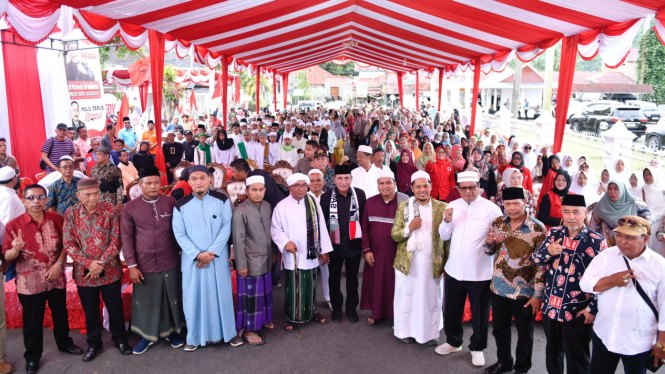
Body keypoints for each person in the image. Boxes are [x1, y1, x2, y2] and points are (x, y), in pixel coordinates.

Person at [3, 184, 84, 374]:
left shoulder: (57, 219)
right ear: (23, 200)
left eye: (40, 197)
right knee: (32, 320)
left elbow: (67, 244)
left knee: (60, 313)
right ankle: (32, 357)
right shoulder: (14, 225)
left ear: (46, 200)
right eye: (30, 198)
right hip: (29, 282)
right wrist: (16, 247)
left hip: (56, 276)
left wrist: (59, 264)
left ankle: (64, 343)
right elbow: (7, 257)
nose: (36, 201)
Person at [580, 215, 665, 374]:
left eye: (630, 237)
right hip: (604, 335)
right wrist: (612, 280)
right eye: (619, 235)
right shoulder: (607, 255)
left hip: (638, 342)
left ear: (645, 239)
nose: (622, 241)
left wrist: (661, 344)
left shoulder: (659, 266)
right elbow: (585, 283)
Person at [533, 194, 607, 374]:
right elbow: (536, 260)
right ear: (562, 213)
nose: (571, 217)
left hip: (577, 309)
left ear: (585, 213)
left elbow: (603, 280)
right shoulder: (553, 234)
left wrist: (593, 309)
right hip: (551, 306)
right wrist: (548, 251)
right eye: (567, 212)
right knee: (552, 352)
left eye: (576, 212)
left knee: (578, 356)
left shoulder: (597, 241)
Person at [436, 171, 502, 366]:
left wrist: (494, 241)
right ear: (458, 189)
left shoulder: (492, 209)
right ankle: (453, 341)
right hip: (455, 269)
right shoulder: (452, 206)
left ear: (479, 187)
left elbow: (499, 237)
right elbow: (444, 236)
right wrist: (446, 221)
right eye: (463, 188)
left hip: (480, 271)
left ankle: (478, 347)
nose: (468, 191)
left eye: (472, 187)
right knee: (452, 308)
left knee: (480, 313)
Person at [172, 165, 241, 351]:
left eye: (202, 178)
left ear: (210, 179)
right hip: (193, 261)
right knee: (194, 297)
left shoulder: (222, 199)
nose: (199, 182)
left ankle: (229, 333)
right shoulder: (180, 205)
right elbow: (179, 234)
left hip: (217, 258)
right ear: (188, 182)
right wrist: (197, 255)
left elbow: (226, 227)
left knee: (222, 295)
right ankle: (194, 337)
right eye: (194, 179)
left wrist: (212, 252)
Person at [63, 178, 131, 362]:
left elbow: (116, 240)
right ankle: (94, 344)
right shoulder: (72, 213)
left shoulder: (109, 210)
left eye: (96, 193)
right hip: (84, 273)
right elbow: (68, 243)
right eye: (87, 194)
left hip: (109, 269)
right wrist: (88, 263)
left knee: (115, 307)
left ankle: (120, 340)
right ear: (78, 196)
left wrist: (99, 263)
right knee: (90, 310)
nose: (93, 198)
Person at [120, 166, 185, 354]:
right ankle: (146, 336)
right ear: (140, 184)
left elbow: (179, 231)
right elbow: (126, 238)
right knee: (147, 300)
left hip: (169, 259)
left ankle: (172, 332)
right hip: (143, 263)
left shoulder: (170, 202)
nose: (153, 186)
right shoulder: (130, 208)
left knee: (171, 297)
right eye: (148, 183)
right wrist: (132, 266)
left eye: (156, 182)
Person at [482, 187, 546, 374]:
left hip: (525, 291)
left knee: (525, 335)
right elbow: (489, 252)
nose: (512, 208)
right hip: (499, 287)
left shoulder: (537, 228)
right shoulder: (498, 223)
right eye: (508, 204)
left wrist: (538, 294)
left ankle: (522, 368)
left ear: (525, 203)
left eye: (516, 203)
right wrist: (490, 243)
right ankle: (504, 362)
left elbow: (542, 265)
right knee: (499, 329)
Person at [392, 170, 448, 345]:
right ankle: (405, 332)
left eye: (426, 185)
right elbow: (395, 235)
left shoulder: (442, 207)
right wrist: (409, 228)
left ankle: (431, 334)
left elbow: (447, 239)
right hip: (408, 263)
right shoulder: (404, 207)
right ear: (411, 188)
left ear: (431, 186)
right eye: (418, 186)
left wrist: (447, 264)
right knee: (407, 297)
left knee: (431, 297)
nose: (422, 190)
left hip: (433, 262)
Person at [271, 173, 333, 330]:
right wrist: (286, 242)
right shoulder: (282, 206)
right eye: (297, 186)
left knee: (311, 284)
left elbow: (321, 227)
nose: (301, 189)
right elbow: (275, 230)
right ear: (290, 188)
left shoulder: (312, 203)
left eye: (304, 185)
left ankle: (311, 312)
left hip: (311, 252)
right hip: (294, 254)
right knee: (293, 286)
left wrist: (324, 250)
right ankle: (292, 317)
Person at [232, 175, 275, 345]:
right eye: (254, 190)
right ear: (246, 190)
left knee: (264, 293)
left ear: (265, 190)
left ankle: (263, 320)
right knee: (250, 297)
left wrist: (272, 253)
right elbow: (238, 240)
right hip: (249, 262)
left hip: (265, 258)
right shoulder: (240, 211)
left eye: (260, 190)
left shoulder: (267, 206)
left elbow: (270, 232)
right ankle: (248, 330)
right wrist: (241, 265)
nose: (258, 193)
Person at [320, 165, 367, 323]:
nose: (343, 181)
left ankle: (352, 308)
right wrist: (324, 249)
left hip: (353, 244)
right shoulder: (326, 197)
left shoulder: (359, 195)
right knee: (334, 278)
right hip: (334, 246)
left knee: (353, 278)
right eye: (339, 178)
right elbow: (323, 224)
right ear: (334, 180)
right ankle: (337, 308)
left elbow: (363, 221)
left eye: (346, 178)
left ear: (351, 179)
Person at [360, 169, 408, 325]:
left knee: (398, 284)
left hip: (398, 253)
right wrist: (367, 250)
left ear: (395, 184)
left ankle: (397, 316)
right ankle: (378, 313)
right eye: (382, 183)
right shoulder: (370, 202)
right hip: (377, 254)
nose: (385, 186)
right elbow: (365, 228)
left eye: (389, 183)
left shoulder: (404, 202)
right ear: (377, 185)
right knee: (378, 283)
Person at [589, 180, 650, 247]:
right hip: (608, 245)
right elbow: (593, 228)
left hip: (631, 244)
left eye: (616, 189)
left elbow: (647, 223)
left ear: (622, 189)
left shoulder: (635, 203)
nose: (612, 192)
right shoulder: (602, 204)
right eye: (610, 189)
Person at [641, 167, 665, 255]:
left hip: (658, 226)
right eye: (645, 175)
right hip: (644, 225)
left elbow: (663, 209)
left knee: (658, 252)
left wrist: (653, 217)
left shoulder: (662, 191)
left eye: (650, 174)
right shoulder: (642, 189)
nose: (647, 177)